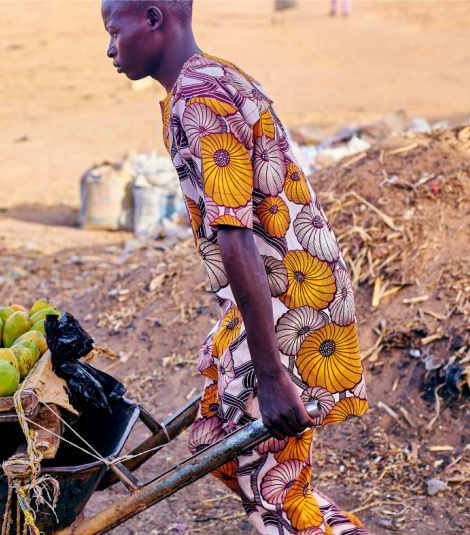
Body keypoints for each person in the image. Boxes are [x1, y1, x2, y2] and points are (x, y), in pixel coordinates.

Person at [100, 2, 370, 534]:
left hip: (291, 300)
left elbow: (236, 237)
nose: (110, 49)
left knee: (273, 489)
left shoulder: (201, 99)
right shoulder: (208, 78)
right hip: (280, 289)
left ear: (153, 19)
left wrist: (269, 375)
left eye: (114, 32)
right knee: (217, 442)